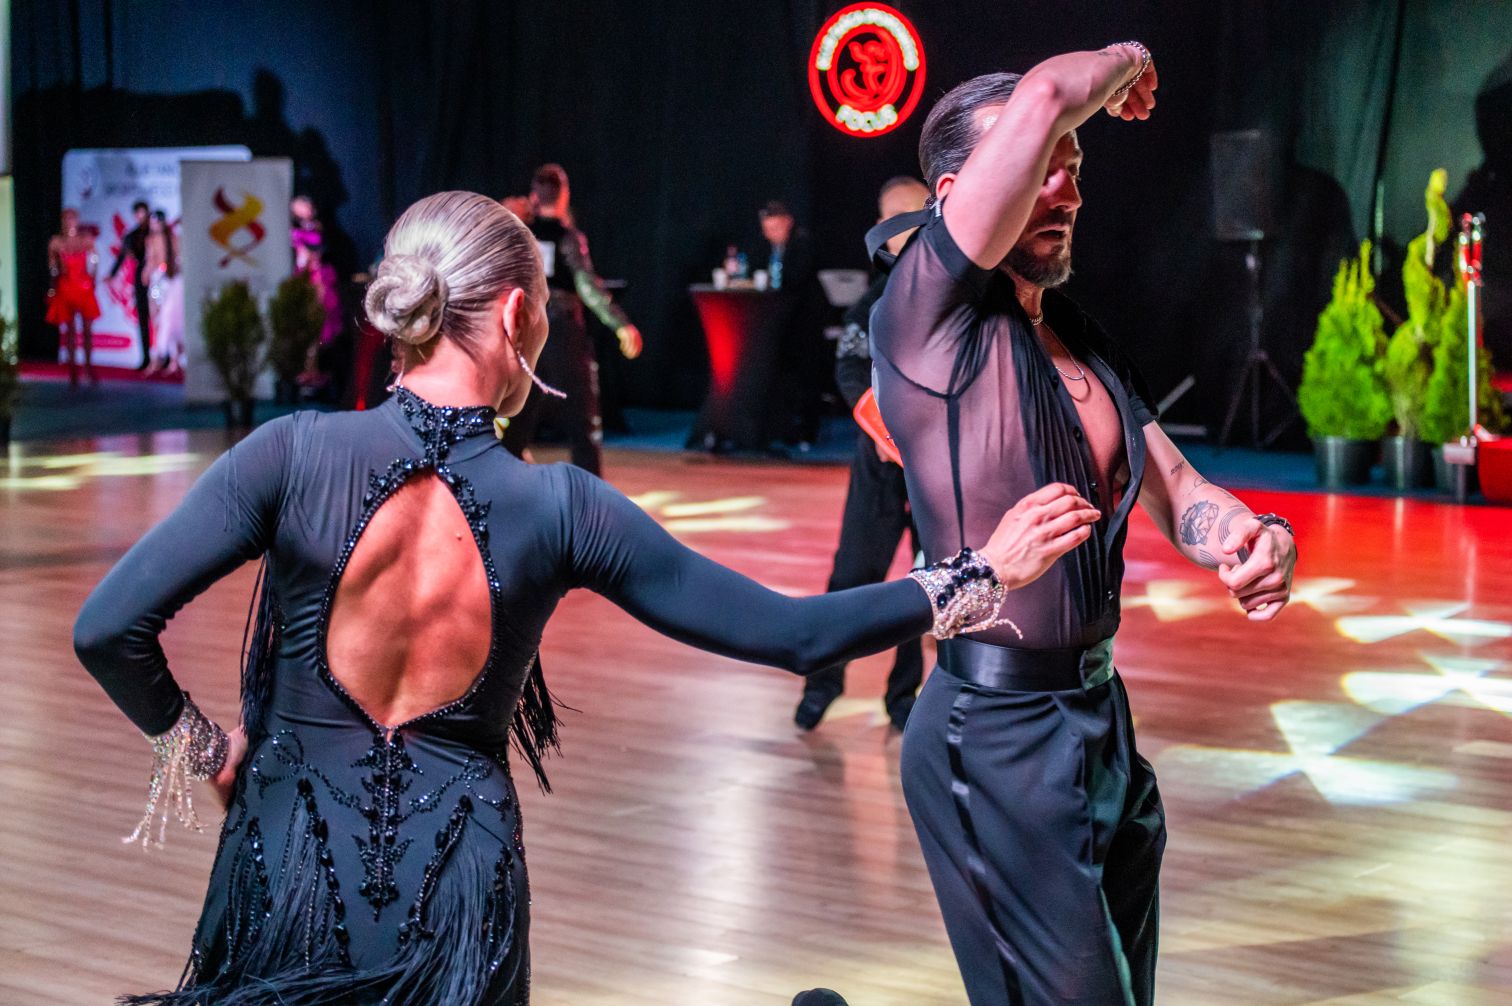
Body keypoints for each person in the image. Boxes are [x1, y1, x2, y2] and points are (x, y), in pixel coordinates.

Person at [73, 190, 1102, 1004]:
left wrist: (208, 752)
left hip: (283, 858)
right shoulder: (561, 507)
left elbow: (109, 629)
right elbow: (793, 634)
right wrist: (979, 573)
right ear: (518, 315)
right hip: (457, 894)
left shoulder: (290, 454)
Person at [869, 46, 1298, 1005]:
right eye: (1039, 166)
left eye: (1075, 166)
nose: (1064, 189)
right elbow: (1048, 91)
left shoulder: (1077, 336)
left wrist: (1254, 536)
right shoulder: (924, 316)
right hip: (993, 738)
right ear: (955, 197)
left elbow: (1178, 487)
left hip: (1100, 722)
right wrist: (1131, 61)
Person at [795, 176, 931, 733]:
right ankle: (822, 684)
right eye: (899, 219)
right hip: (882, 462)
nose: (912, 229)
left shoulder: (964, 296)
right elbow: (851, 370)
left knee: (930, 583)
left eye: (922, 214)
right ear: (881, 230)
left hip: (941, 471)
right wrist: (883, 430)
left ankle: (904, 697)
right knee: (853, 576)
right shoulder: (872, 305)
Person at [500, 164, 641, 476]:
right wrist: (620, 323)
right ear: (564, 196)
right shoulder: (568, 237)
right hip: (561, 330)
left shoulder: (519, 233)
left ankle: (499, 480)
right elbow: (587, 286)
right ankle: (590, 487)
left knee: (518, 409)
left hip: (525, 329)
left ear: (534, 196)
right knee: (582, 414)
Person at [754, 200, 826, 446]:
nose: (770, 235)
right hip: (778, 322)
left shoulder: (802, 244)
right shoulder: (766, 248)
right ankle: (779, 427)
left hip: (805, 321)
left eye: (775, 229)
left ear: (788, 222)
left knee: (806, 376)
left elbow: (796, 280)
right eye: (766, 230)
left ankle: (807, 430)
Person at [47, 208, 103, 387]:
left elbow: (94, 260)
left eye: (73, 218)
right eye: (67, 218)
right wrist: (52, 288)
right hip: (66, 286)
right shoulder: (56, 242)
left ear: (77, 221)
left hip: (84, 287)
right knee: (70, 330)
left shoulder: (85, 239)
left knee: (87, 330)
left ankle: (88, 367)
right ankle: (73, 370)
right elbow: (53, 267)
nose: (70, 222)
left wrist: (93, 279)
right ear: (63, 221)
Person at [109, 199, 153, 369]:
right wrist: (112, 274)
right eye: (138, 213)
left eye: (143, 212)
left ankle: (166, 357)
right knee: (143, 318)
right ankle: (146, 357)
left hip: (158, 279)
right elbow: (122, 256)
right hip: (141, 279)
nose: (141, 216)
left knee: (162, 320)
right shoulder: (132, 235)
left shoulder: (155, 231)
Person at [143, 211, 185, 376]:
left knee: (171, 319)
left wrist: (155, 271)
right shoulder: (151, 240)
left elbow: (177, 260)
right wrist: (148, 272)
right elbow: (150, 261)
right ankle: (163, 357)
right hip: (158, 281)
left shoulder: (173, 239)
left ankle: (171, 359)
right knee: (159, 319)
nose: (154, 226)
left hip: (169, 281)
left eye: (156, 222)